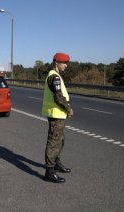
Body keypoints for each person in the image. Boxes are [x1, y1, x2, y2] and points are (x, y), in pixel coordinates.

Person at [42, 52, 73, 183]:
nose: (66, 65)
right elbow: (58, 97)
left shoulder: (56, 76)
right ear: (56, 63)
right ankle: (49, 171)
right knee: (54, 142)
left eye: (66, 63)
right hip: (56, 114)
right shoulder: (54, 77)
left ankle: (56, 162)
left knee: (60, 141)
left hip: (59, 114)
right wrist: (68, 108)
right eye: (64, 63)